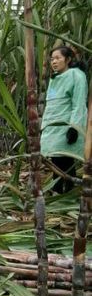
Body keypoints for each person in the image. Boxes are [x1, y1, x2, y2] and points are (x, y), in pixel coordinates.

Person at [41, 45, 88, 194]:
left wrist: (74, 127)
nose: (54, 62)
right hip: (53, 126)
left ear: (67, 59)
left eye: (57, 58)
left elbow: (79, 103)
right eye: (52, 59)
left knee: (64, 159)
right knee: (56, 159)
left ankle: (63, 191)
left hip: (66, 124)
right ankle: (61, 190)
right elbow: (52, 103)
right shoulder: (54, 78)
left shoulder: (77, 76)